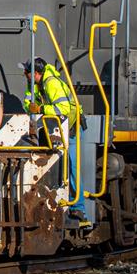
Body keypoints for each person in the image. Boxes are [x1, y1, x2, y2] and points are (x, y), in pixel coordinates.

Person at [25, 57, 91, 228]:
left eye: (27, 72)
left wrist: (40, 109)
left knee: (72, 167)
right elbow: (28, 104)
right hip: (60, 129)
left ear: (36, 73)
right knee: (64, 168)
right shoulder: (37, 85)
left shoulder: (51, 83)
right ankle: (68, 205)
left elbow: (63, 109)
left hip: (71, 128)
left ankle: (79, 209)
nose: (24, 75)